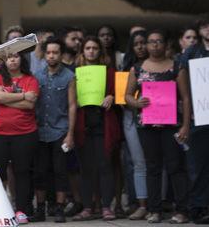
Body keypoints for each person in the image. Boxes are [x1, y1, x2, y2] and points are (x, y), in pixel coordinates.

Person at [125, 29, 191, 224]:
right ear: (145, 45)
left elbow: (186, 98)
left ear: (166, 44)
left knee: (175, 167)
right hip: (147, 127)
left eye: (159, 41)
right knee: (152, 167)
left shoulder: (177, 67)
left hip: (172, 126)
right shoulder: (137, 69)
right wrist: (136, 103)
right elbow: (127, 95)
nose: (154, 45)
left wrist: (186, 125)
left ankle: (182, 210)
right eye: (151, 42)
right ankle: (154, 210)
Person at [71, 36, 121, 221]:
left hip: (104, 124)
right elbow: (68, 98)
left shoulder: (109, 72)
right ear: (82, 51)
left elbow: (121, 94)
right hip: (82, 125)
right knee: (86, 168)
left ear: (100, 51)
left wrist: (112, 97)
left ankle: (107, 207)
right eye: (88, 48)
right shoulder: (75, 72)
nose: (91, 51)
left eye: (94, 48)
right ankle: (87, 208)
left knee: (105, 165)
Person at [0, 52, 39, 224]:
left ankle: (22, 210)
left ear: (22, 59)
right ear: (4, 60)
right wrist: (23, 95)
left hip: (25, 133)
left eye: (16, 56)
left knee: (22, 173)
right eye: (9, 57)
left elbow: (30, 104)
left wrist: (3, 99)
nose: (13, 59)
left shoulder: (31, 79)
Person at [32, 36, 77, 223]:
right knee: (40, 171)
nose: (51, 56)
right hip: (40, 131)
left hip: (60, 130)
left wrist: (70, 134)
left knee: (60, 171)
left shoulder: (69, 76)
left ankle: (59, 208)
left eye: (55, 52)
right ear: (44, 55)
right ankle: (40, 209)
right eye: (48, 52)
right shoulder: (37, 76)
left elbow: (73, 105)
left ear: (61, 54)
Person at [176, 19, 209, 224]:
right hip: (200, 116)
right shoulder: (191, 53)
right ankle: (198, 207)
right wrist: (189, 115)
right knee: (199, 164)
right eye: (206, 26)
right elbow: (183, 86)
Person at [120, 30, 149, 220]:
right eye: (136, 44)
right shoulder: (129, 68)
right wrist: (134, 103)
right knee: (139, 163)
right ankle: (142, 204)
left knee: (158, 164)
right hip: (132, 118)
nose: (140, 47)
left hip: (160, 120)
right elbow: (125, 98)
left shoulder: (168, 66)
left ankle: (159, 203)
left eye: (143, 42)